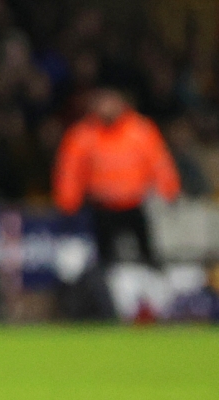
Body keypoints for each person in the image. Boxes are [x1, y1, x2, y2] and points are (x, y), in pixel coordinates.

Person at [53, 85, 179, 272]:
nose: (107, 106)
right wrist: (68, 201)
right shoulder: (83, 134)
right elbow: (70, 170)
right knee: (105, 260)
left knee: (148, 256)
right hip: (102, 206)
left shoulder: (140, 130)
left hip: (134, 204)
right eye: (103, 101)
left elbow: (159, 162)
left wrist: (170, 189)